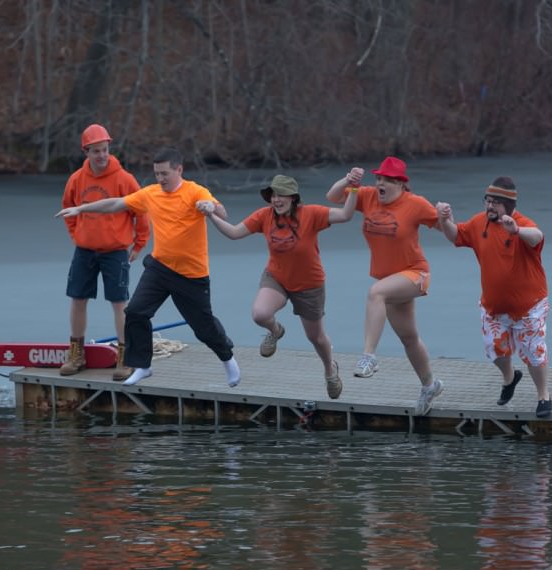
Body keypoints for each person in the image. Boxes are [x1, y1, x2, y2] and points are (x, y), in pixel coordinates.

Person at [56, 147, 239, 388]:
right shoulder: (151, 194)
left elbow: (222, 212)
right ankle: (143, 365)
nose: (160, 179)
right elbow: (116, 204)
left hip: (191, 274)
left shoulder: (195, 191)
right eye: (157, 174)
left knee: (203, 327)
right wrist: (81, 209)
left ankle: (228, 359)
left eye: (165, 174)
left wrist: (211, 207)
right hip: (160, 268)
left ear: (179, 170)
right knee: (135, 313)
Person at [198, 175, 357, 399]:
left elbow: (346, 215)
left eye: (281, 195)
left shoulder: (311, 213)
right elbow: (234, 233)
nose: (276, 200)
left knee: (316, 337)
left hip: (308, 284)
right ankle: (275, 331)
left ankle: (330, 369)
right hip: (277, 278)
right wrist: (211, 215)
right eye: (273, 195)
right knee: (260, 314)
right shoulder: (265, 216)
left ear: (292, 198)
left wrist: (353, 190)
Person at [325, 157, 444, 416]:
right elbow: (333, 196)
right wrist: (349, 181)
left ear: (400, 184)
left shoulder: (416, 204)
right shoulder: (367, 196)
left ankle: (369, 356)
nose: (380, 183)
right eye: (378, 178)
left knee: (375, 292)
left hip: (416, 273)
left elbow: (446, 228)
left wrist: (446, 216)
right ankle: (429, 385)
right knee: (409, 338)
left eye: (387, 180)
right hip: (390, 277)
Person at [435, 176, 552, 417]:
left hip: (529, 305)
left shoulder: (522, 223)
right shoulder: (480, 223)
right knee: (495, 351)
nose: (489, 207)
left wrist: (517, 230)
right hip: (494, 306)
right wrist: (445, 219)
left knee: (533, 352)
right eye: (487, 201)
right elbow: (456, 235)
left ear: (508, 205)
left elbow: (538, 236)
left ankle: (543, 395)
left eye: (495, 203)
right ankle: (510, 379)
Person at [59, 124, 149, 381]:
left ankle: (125, 355)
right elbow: (68, 207)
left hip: (115, 251)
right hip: (84, 250)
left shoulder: (124, 179)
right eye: (96, 151)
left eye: (105, 150)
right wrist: (76, 234)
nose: (102, 156)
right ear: (86, 151)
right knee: (77, 298)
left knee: (119, 303)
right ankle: (76, 353)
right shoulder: (77, 179)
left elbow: (140, 210)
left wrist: (140, 243)